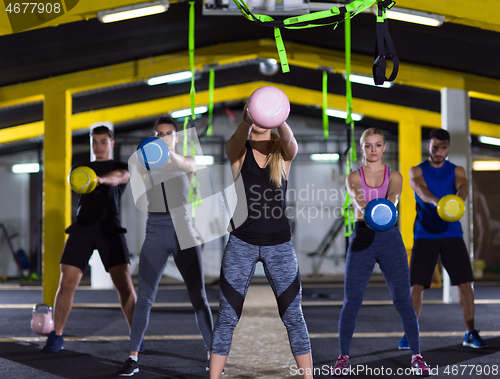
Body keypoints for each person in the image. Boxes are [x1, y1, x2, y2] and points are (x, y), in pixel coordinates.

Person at [208, 109, 313, 378]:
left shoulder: (282, 153)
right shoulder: (239, 151)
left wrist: (279, 116)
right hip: (241, 242)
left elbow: (292, 144)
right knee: (227, 317)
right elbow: (232, 143)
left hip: (279, 244)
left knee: (293, 317)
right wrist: (247, 119)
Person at [117, 116, 214, 376]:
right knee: (145, 300)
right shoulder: (145, 165)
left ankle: (213, 355)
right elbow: (138, 164)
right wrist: (149, 152)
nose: (163, 137)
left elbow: (182, 162)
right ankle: (133, 356)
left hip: (185, 236)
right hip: (155, 236)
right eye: (158, 134)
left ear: (177, 136)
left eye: (168, 133)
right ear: (154, 135)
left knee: (199, 298)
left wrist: (166, 152)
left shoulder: (188, 163)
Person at [334, 128, 430, 376]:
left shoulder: (394, 175)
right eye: (368, 145)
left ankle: (417, 356)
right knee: (352, 301)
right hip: (362, 236)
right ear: (361, 148)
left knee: (403, 300)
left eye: (378, 145)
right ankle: (343, 356)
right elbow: (358, 198)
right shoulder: (353, 177)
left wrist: (384, 210)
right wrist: (368, 210)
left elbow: (394, 197)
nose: (373, 150)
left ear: (384, 148)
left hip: (389, 238)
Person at [44, 126, 137, 353]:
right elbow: (74, 179)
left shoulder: (119, 166)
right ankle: (56, 336)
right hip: (82, 229)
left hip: (110, 230)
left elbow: (121, 178)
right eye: (94, 142)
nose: (98, 146)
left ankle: (136, 336)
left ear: (111, 143)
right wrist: (89, 176)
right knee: (66, 283)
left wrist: (100, 179)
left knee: (124, 284)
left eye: (103, 142)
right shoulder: (81, 168)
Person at [398, 129, 488, 350]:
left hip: (451, 234)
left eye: (443, 147)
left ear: (448, 147)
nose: (438, 151)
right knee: (416, 286)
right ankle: (410, 334)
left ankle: (470, 332)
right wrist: (439, 203)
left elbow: (463, 186)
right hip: (424, 234)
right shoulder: (417, 170)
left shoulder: (456, 169)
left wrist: (458, 200)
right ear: (428, 145)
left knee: (466, 284)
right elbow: (420, 189)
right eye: (434, 146)